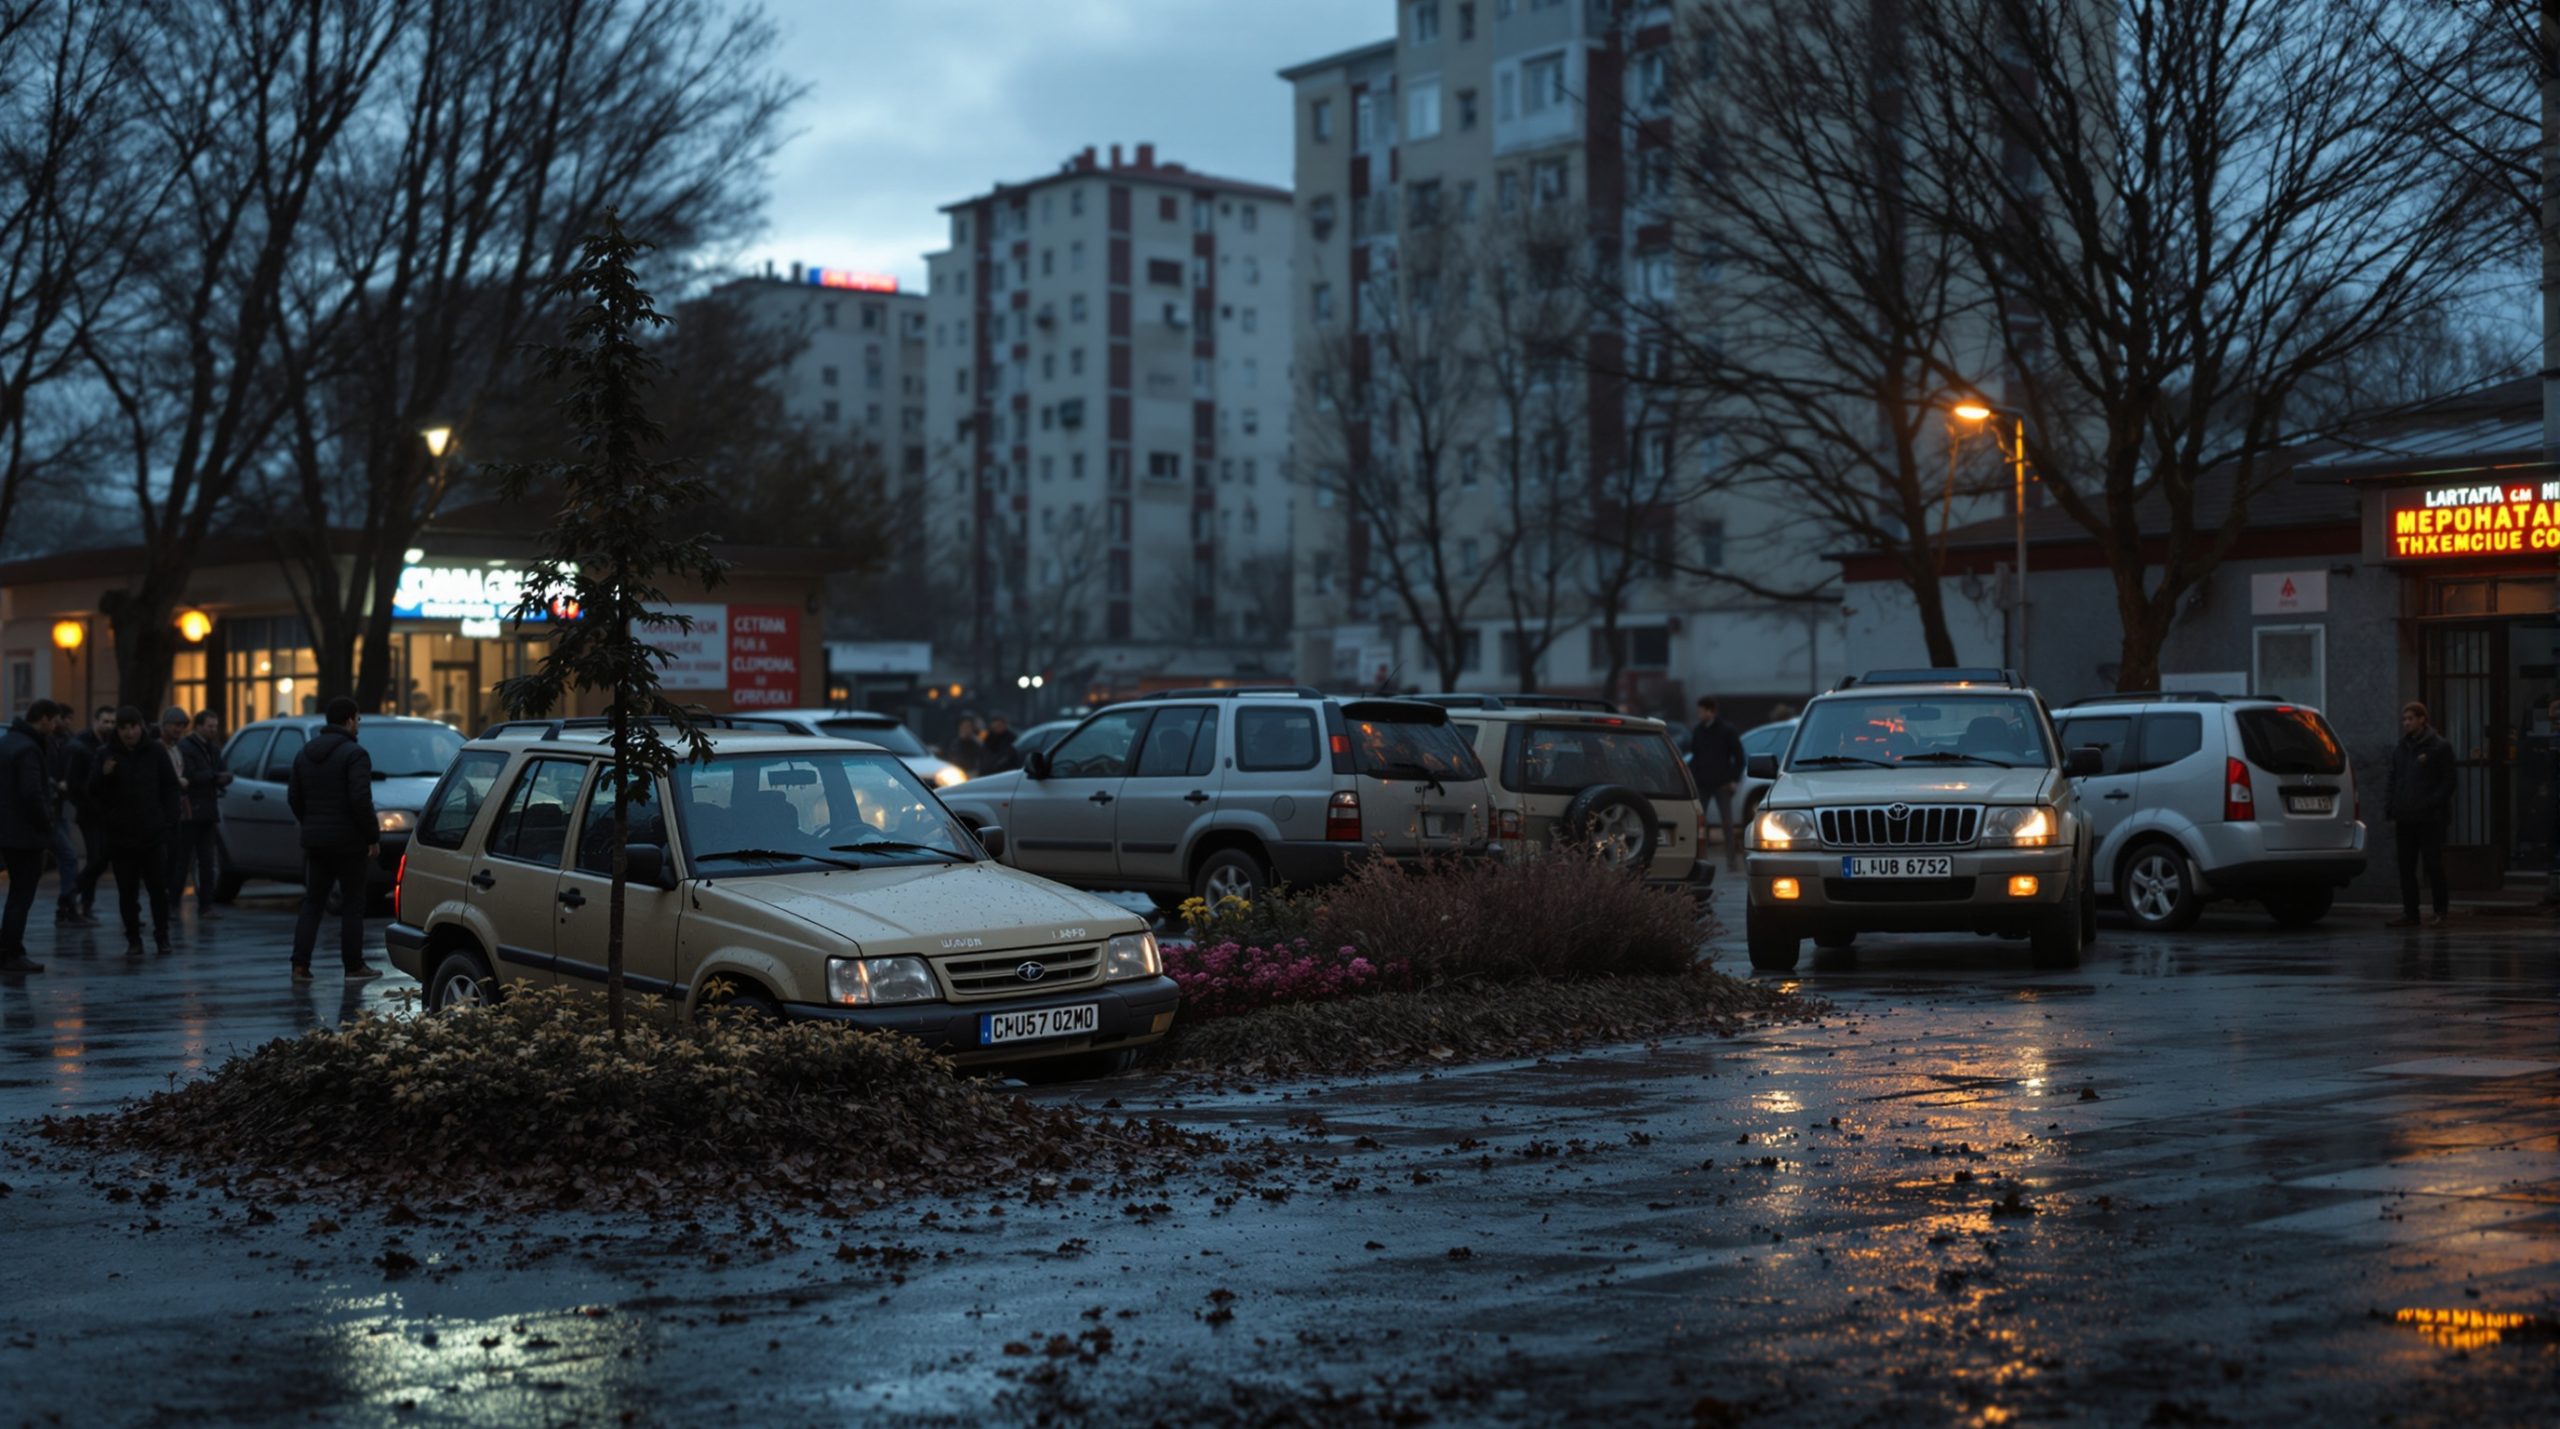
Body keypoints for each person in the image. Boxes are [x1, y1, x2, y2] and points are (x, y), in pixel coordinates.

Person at [286, 697, 381, 980]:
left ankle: (300, 965)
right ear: (350, 720)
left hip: (316, 841)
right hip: (349, 842)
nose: (358, 725)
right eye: (358, 720)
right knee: (353, 903)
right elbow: (360, 799)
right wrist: (371, 836)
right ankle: (353, 966)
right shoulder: (355, 754)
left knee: (313, 902)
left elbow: (294, 796)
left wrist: (311, 823)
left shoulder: (305, 753)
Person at [89, 706, 180, 956]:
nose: (128, 733)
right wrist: (103, 775)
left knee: (157, 890)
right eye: (123, 728)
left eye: (133, 727)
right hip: (121, 836)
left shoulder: (155, 752)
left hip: (152, 833)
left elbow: (170, 788)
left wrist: (169, 821)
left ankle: (162, 937)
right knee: (127, 892)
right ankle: (133, 940)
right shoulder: (106, 754)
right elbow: (92, 791)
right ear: (117, 730)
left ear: (141, 727)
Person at [2385, 700, 2456, 929]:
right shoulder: (2401, 747)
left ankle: (2440, 911)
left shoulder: (2438, 746)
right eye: (2404, 719)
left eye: (2410, 719)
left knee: (2433, 864)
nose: (2406, 723)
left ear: (2422, 719)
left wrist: (2431, 803)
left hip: (2429, 817)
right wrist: (2391, 806)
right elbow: (2394, 778)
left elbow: (2448, 781)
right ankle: (2411, 913)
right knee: (2406, 866)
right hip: (2405, 816)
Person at [0, 702, 56, 972]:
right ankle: (12, 952)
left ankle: (8, 949)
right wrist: (47, 823)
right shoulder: (28, 749)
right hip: (25, 834)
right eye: (53, 720)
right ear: (44, 720)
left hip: (8, 830)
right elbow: (32, 793)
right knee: (21, 895)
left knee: (15, 895)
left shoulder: (9, 741)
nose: (54, 726)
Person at [32, 701, 87, 927]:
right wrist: (56, 785)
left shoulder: (59, 741)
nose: (62, 724)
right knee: (67, 856)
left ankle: (67, 905)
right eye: (59, 720)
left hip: (55, 808)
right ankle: (66, 906)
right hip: (48, 811)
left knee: (66, 857)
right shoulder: (40, 744)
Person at [175, 710, 231, 919]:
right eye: (209, 726)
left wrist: (219, 777)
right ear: (198, 726)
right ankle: (173, 903)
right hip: (191, 811)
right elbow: (190, 775)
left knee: (206, 861)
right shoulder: (187, 747)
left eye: (215, 726)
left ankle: (205, 905)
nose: (213, 730)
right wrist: (214, 777)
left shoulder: (212, 749)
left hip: (207, 810)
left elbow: (218, 771)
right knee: (184, 860)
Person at [62, 706, 114, 920]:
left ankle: (80, 899)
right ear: (95, 721)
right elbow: (75, 782)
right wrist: (84, 802)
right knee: (95, 858)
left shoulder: (111, 743)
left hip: (106, 811)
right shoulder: (82, 744)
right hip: (90, 811)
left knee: (102, 859)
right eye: (106, 721)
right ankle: (76, 898)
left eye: (112, 722)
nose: (109, 726)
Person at [1687, 697, 1749, 873]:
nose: (1698, 715)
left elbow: (1739, 757)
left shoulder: (1726, 730)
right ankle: (1699, 860)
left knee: (1727, 824)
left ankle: (1731, 861)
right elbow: (1695, 756)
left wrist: (1734, 780)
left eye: (1701, 711)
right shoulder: (1698, 731)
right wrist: (1692, 777)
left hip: (1722, 783)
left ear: (1711, 711)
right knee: (1698, 823)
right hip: (1703, 783)